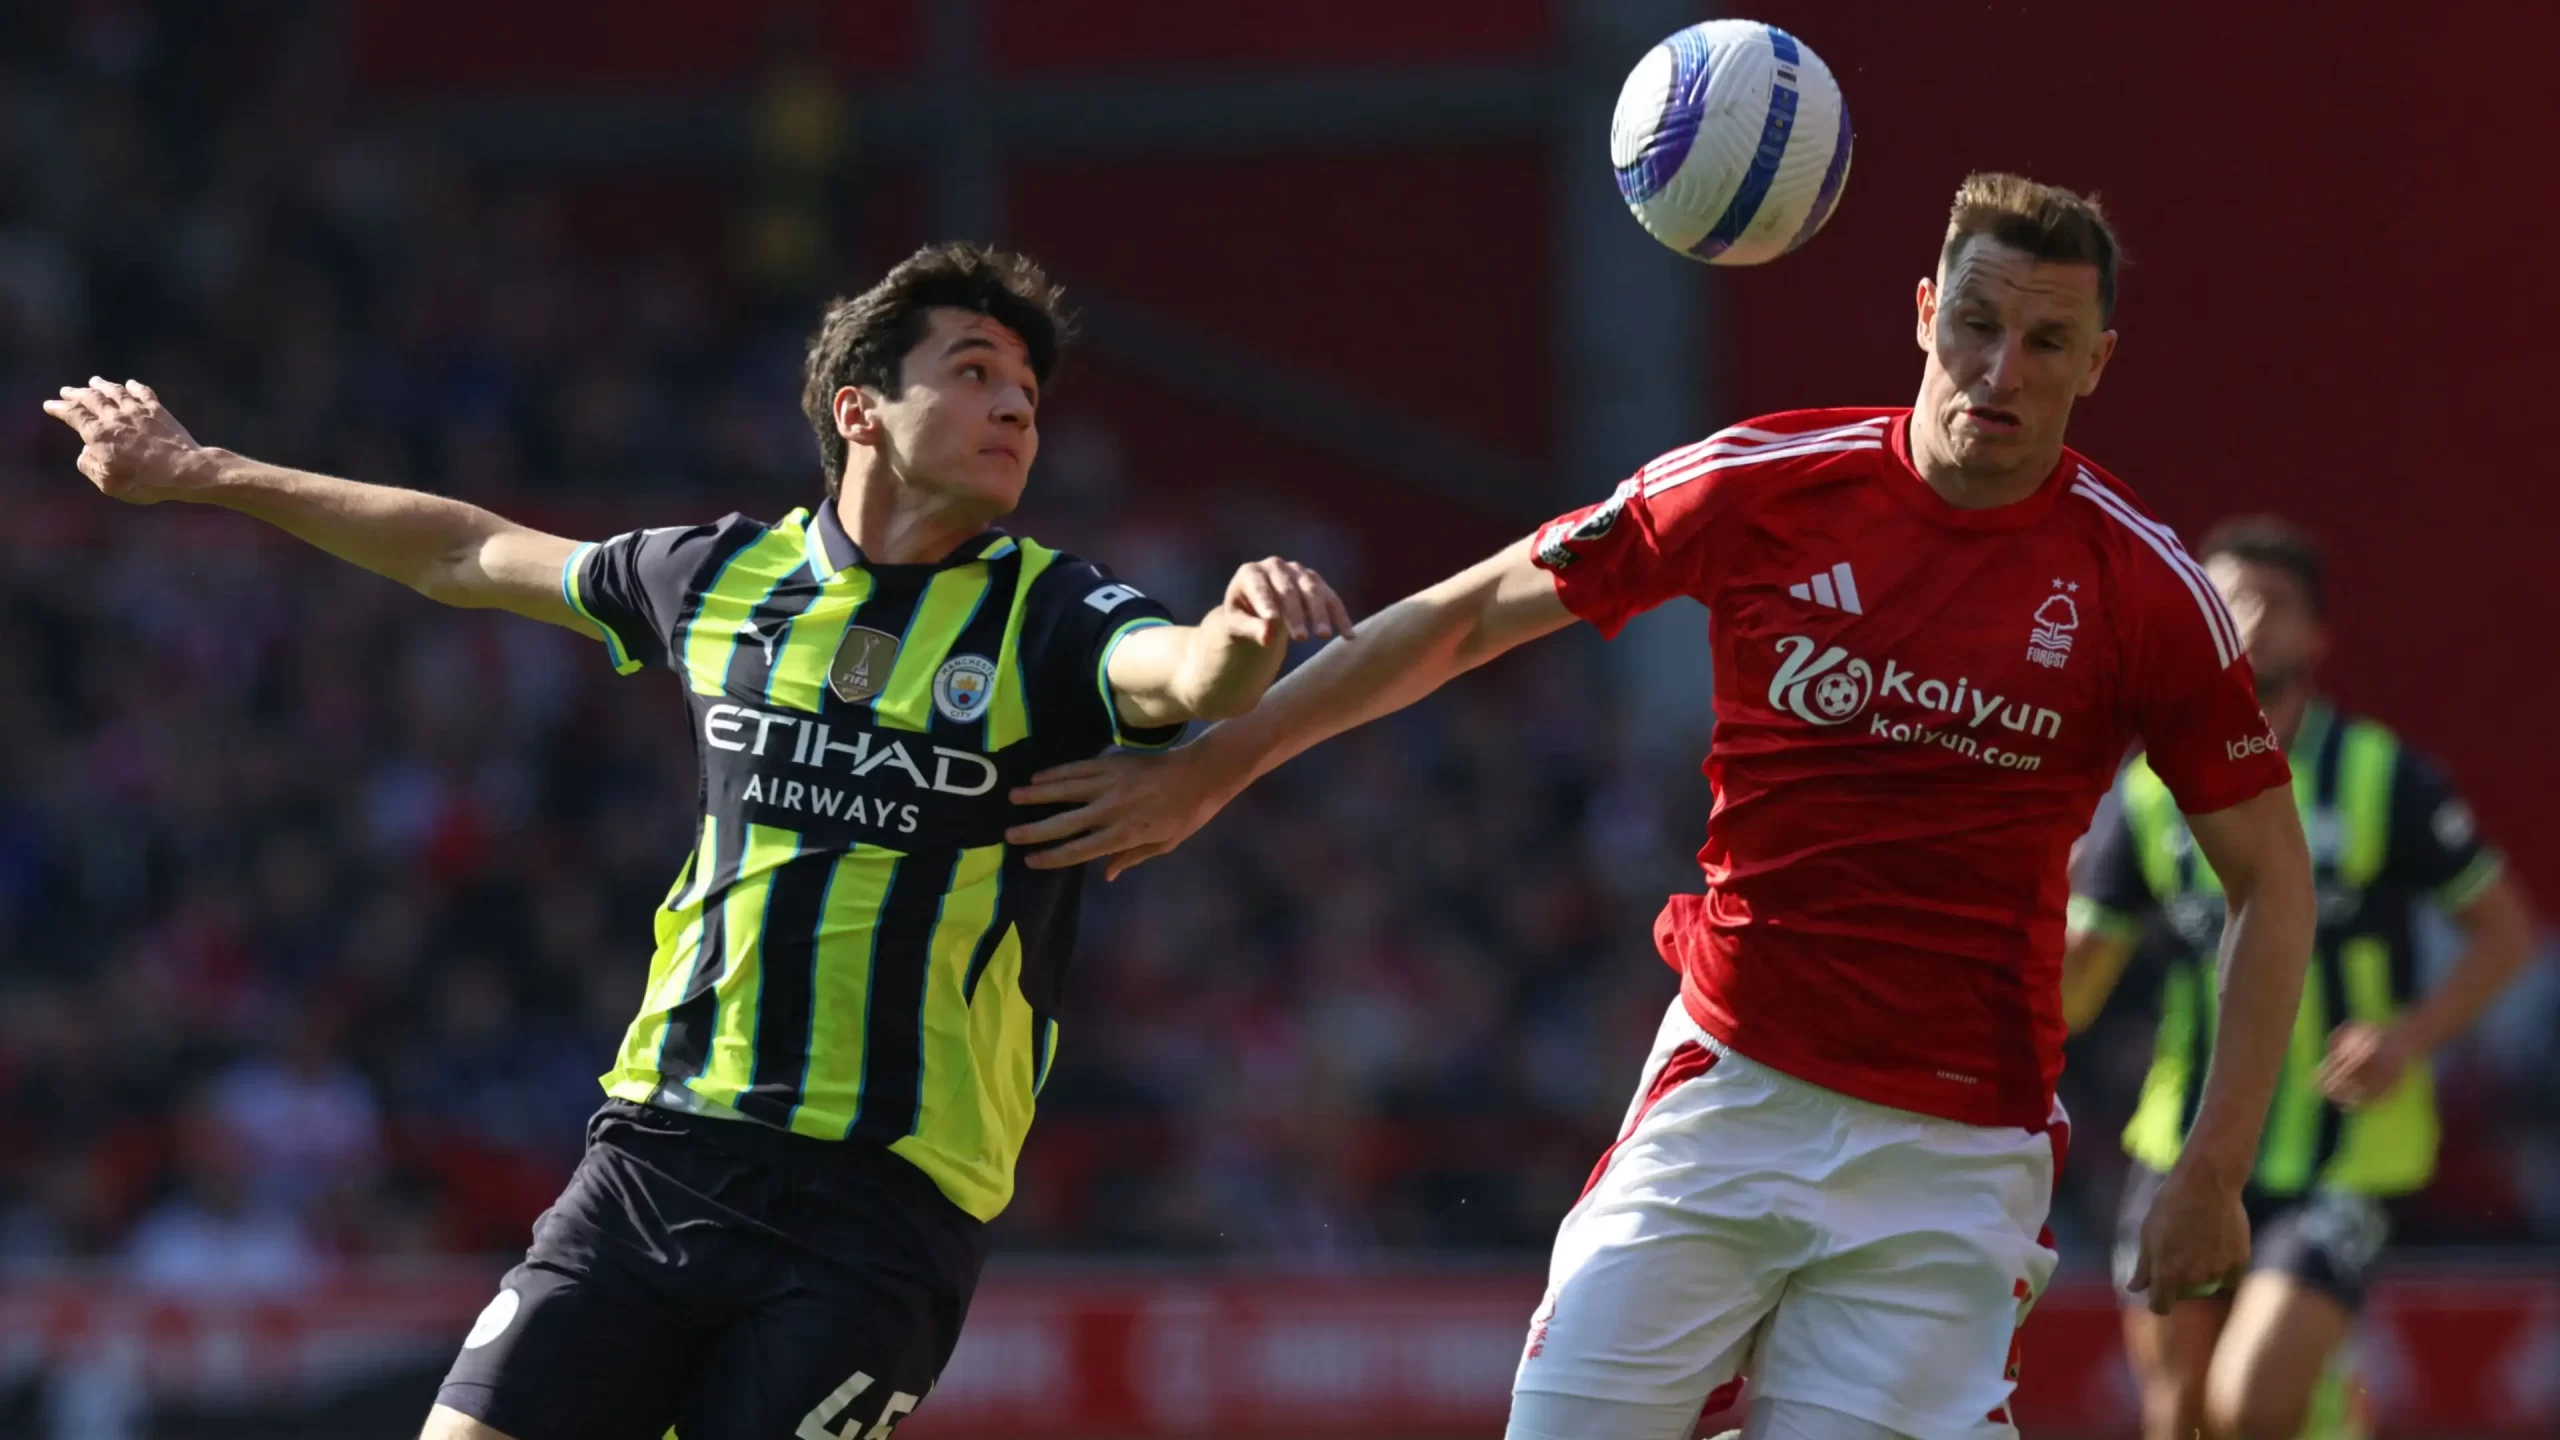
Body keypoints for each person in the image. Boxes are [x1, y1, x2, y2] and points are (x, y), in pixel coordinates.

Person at [1004, 173, 2320, 1440]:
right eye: (1977, 327)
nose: (2003, 371)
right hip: (1729, 1091)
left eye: (2047, 341)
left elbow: (2270, 880)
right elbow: (1465, 617)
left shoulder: (2145, 593)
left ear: (2098, 361)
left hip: (1954, 1151)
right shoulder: (1761, 487)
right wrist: (1216, 762)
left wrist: (2214, 1165)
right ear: (1924, 312)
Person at [44, 243, 1352, 1440]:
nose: (1018, 408)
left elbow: (1182, 677)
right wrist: (205, 474)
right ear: (862, 410)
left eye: (1026, 389)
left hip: (882, 1217)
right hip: (662, 1154)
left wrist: (1242, 633)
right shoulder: (721, 577)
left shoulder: (1054, 613)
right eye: (974, 373)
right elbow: (468, 552)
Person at [2064, 516, 2535, 1440]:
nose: (2245, 619)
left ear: (2318, 637)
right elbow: (2078, 978)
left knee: (2253, 1406)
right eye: (2225, 598)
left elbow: (2505, 933)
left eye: (2272, 604)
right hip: (2178, 1144)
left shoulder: (2383, 777)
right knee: (2180, 1414)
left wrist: (2408, 1039)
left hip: (2343, 1151)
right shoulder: (2147, 793)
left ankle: (2326, 1408)